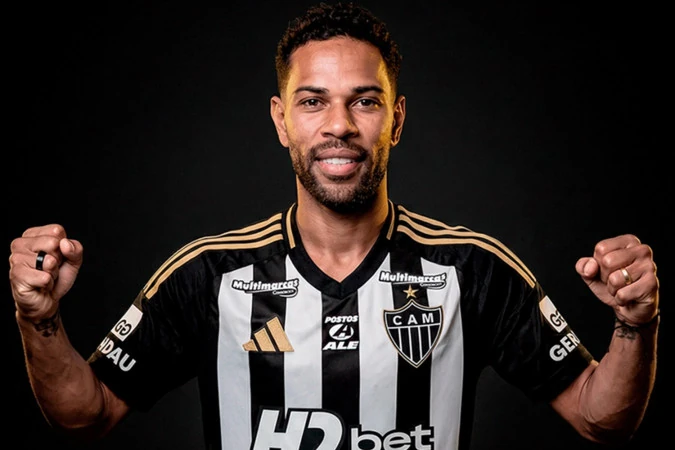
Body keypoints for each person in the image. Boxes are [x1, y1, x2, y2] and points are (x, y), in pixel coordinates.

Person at [8, 2, 660, 449]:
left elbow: (600, 420)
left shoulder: (471, 268)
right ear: (281, 120)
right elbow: (86, 416)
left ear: (396, 120)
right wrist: (39, 318)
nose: (339, 125)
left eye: (364, 101)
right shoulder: (210, 273)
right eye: (313, 101)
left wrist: (635, 324)